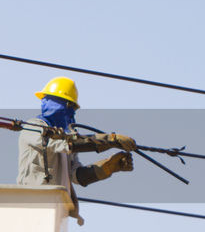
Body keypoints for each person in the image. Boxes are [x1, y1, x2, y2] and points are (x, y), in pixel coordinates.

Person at [17, 77, 135, 219]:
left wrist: (107, 167)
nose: (70, 112)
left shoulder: (65, 139)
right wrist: (109, 140)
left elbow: (77, 175)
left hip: (57, 208)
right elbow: (63, 144)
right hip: (33, 203)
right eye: (68, 105)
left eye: (72, 107)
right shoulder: (33, 127)